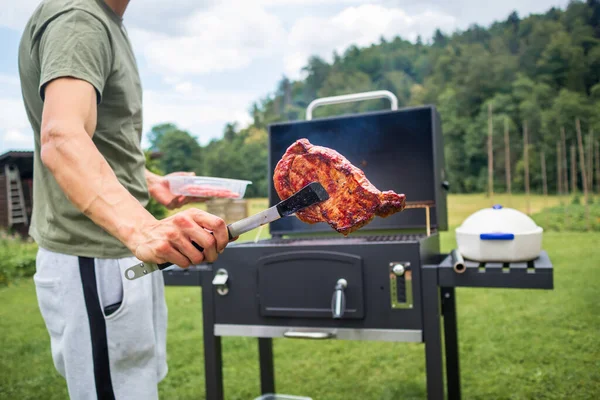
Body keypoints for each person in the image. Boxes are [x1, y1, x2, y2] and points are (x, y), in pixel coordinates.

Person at [17, 0, 230, 398]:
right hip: (95, 258)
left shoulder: (104, 18)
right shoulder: (79, 19)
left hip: (117, 253)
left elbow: (101, 141)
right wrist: (144, 227)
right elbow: (62, 139)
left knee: (135, 383)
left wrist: (149, 182)